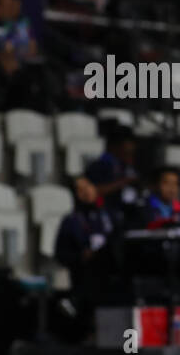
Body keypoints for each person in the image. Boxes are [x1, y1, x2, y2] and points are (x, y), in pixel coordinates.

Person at [54, 175, 120, 342]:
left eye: (88, 186)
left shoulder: (111, 216)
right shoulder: (71, 221)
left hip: (113, 274)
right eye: (79, 190)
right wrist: (81, 256)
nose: (85, 192)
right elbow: (61, 255)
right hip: (85, 275)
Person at [84, 127, 140, 224]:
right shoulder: (99, 165)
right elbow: (93, 191)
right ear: (114, 146)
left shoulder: (126, 167)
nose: (130, 155)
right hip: (103, 215)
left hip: (126, 215)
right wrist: (123, 182)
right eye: (126, 152)